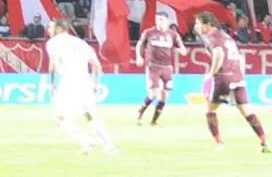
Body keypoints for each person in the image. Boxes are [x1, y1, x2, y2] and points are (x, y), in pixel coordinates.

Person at [195, 12, 269, 152]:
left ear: (207, 24)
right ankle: (264, 142)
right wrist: (241, 74)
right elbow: (240, 57)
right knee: (247, 112)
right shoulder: (226, 36)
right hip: (237, 77)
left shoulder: (213, 38)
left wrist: (210, 74)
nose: (196, 26)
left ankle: (219, 144)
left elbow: (219, 54)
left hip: (223, 77)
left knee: (209, 110)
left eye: (198, 23)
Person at [45, 19, 118, 155]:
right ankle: (110, 147)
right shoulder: (81, 43)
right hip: (85, 81)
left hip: (68, 82)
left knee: (60, 118)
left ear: (59, 28)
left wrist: (51, 84)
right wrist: (95, 84)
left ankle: (85, 139)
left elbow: (52, 66)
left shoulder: (52, 43)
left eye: (50, 27)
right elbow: (96, 65)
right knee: (89, 115)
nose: (48, 30)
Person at [134, 12, 187, 126]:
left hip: (167, 68)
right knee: (153, 92)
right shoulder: (149, 32)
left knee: (165, 95)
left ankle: (154, 121)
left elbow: (182, 47)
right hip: (153, 66)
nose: (159, 22)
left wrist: (182, 50)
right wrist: (138, 56)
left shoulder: (173, 34)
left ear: (167, 21)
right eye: (157, 19)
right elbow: (139, 44)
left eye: (162, 19)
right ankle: (140, 112)